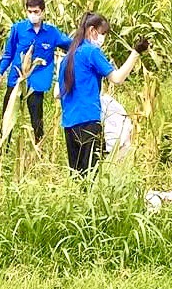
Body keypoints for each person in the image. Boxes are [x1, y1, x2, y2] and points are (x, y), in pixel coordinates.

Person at [58, 12, 148, 174]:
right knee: (92, 174)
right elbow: (117, 78)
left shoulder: (67, 57)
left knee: (77, 175)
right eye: (103, 33)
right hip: (89, 120)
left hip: (69, 122)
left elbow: (58, 93)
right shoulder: (91, 51)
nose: (103, 38)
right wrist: (136, 52)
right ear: (92, 30)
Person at [0, 0, 72, 144]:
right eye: (30, 11)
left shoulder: (52, 33)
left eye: (36, 12)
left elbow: (72, 46)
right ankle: (3, 147)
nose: (33, 15)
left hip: (37, 82)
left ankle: (38, 148)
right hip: (17, 79)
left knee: (37, 120)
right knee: (7, 118)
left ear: (43, 12)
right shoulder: (18, 29)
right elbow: (8, 54)